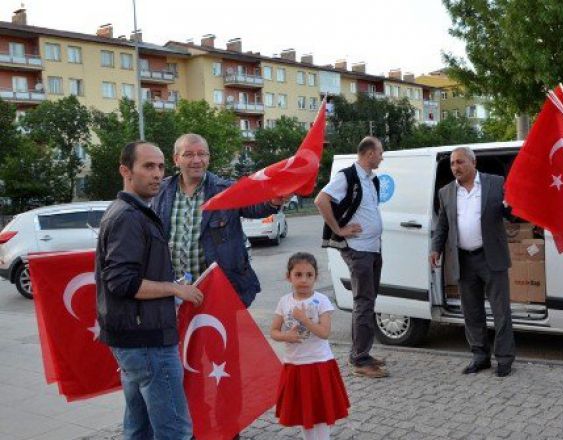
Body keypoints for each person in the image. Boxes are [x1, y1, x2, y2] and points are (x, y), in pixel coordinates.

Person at [96, 141, 204, 440]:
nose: (157, 174)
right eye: (148, 166)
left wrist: (171, 284)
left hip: (136, 339)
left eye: (160, 166)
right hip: (147, 341)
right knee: (174, 431)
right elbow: (121, 281)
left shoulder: (135, 212)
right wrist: (174, 289)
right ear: (125, 170)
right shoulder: (128, 217)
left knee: (139, 428)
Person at [152, 133, 286, 307]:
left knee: (221, 334)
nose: (197, 159)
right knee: (178, 335)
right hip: (175, 292)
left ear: (208, 158)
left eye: (202, 154)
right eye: (189, 154)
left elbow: (255, 207)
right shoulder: (160, 192)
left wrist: (274, 200)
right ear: (176, 159)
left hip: (219, 290)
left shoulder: (225, 190)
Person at [430, 146, 516, 377]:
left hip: (491, 258)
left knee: (501, 311)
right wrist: (435, 248)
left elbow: (512, 213)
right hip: (463, 260)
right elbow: (443, 226)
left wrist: (511, 208)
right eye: (452, 164)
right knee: (471, 312)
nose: (455, 167)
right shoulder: (446, 192)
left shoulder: (495, 183)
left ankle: (505, 359)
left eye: (460, 162)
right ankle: (480, 356)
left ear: (473, 162)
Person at [315, 136, 387, 378]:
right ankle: (359, 360)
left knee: (368, 301)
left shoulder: (371, 180)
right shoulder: (347, 176)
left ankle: (362, 352)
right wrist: (338, 229)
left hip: (373, 248)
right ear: (369, 154)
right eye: (380, 152)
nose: (382, 157)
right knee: (364, 303)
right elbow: (321, 200)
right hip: (358, 249)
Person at [271, 252, 350, 440]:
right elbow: (274, 331)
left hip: (319, 363)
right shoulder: (284, 301)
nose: (304, 280)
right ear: (288, 276)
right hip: (295, 364)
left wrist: (305, 319)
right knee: (304, 413)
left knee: (321, 413)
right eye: (298, 275)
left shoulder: (322, 300)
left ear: (316, 276)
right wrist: (285, 336)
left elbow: (324, 332)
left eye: (309, 275)